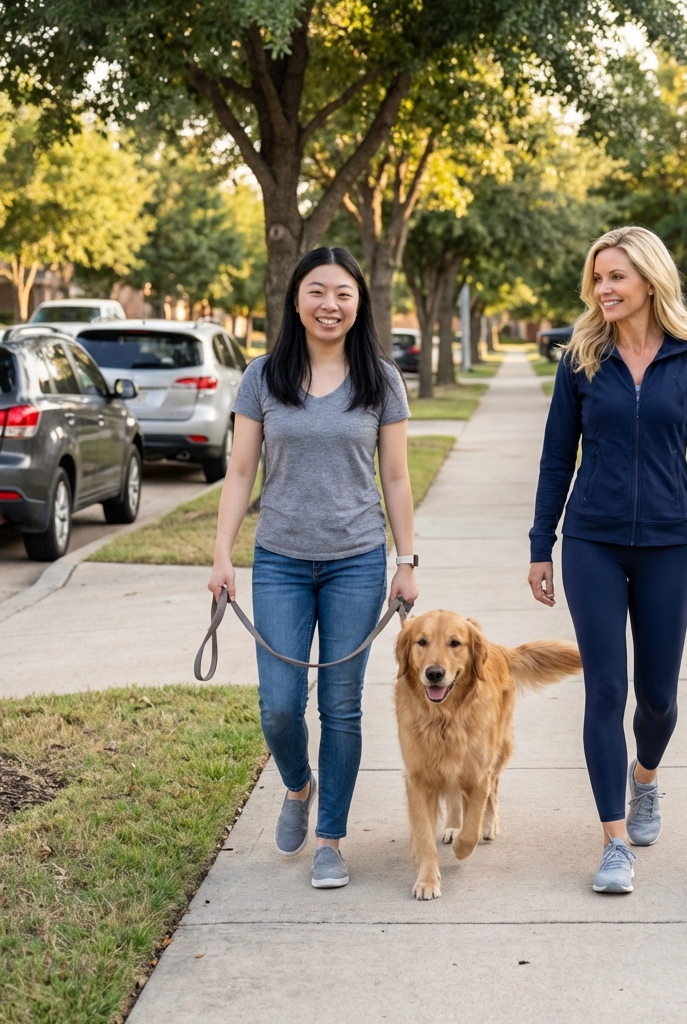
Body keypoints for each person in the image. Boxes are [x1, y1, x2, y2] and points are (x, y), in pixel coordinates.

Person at [528, 226, 687, 894]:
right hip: (592, 540)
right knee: (606, 690)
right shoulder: (581, 360)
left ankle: (645, 777)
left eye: (615, 277)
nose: (603, 290)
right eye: (597, 278)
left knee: (657, 698)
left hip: (666, 544)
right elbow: (557, 454)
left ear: (649, 279)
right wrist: (543, 544)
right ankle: (613, 841)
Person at [208, 246, 418, 889]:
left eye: (344, 294)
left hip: (356, 558)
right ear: (296, 299)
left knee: (342, 706)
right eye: (318, 292)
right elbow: (241, 470)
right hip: (280, 561)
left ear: (360, 304)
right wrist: (222, 555)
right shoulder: (262, 376)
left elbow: (397, 475)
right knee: (278, 706)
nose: (331, 304)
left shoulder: (381, 379)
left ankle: (330, 839)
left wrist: (405, 560)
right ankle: (298, 786)